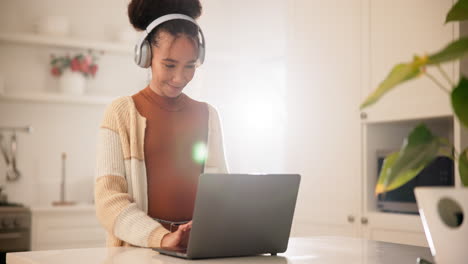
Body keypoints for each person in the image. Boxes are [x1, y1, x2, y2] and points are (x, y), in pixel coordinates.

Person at [94, 0, 228, 249]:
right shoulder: (121, 113)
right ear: (145, 56)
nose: (180, 77)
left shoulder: (208, 115)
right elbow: (108, 200)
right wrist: (163, 238)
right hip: (140, 253)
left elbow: (221, 191)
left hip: (197, 250)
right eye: (169, 65)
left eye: (190, 66)